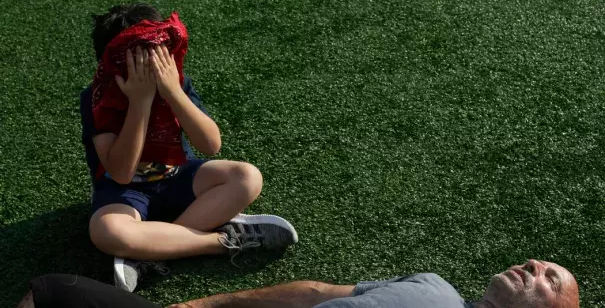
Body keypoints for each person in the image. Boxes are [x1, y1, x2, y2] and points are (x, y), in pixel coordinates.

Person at [80, 3, 298, 292]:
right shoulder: (96, 98)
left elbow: (210, 145)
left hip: (179, 176)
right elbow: (120, 173)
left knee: (247, 177)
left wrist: (172, 91)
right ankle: (221, 241)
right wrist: (140, 102)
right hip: (124, 192)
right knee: (107, 231)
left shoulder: (178, 83)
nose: (152, 66)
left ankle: (147, 252)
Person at [15, 260, 579, 308]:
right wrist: (202, 303)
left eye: (549, 278)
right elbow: (312, 294)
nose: (532, 266)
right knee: (52, 292)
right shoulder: (433, 287)